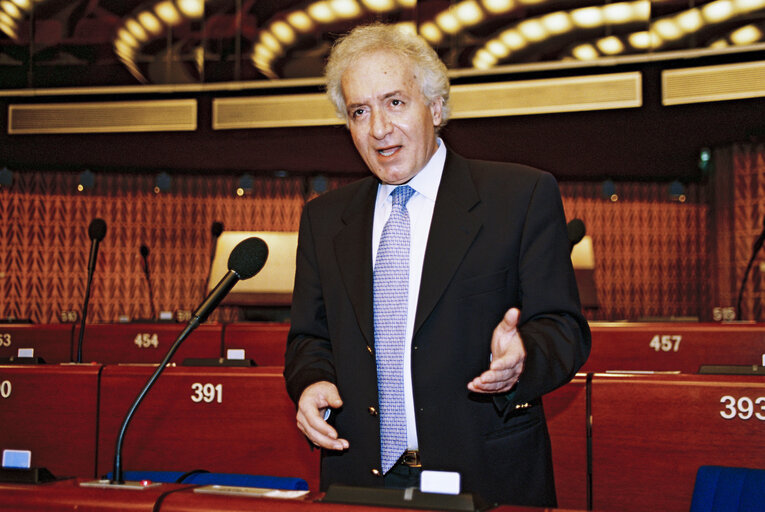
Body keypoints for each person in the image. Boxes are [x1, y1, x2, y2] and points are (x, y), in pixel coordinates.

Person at [284, 23, 591, 507]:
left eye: (395, 102)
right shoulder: (324, 219)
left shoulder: (520, 196)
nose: (378, 128)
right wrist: (312, 381)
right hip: (360, 478)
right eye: (359, 111)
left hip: (483, 474)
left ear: (436, 107)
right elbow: (309, 337)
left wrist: (522, 358)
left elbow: (565, 328)